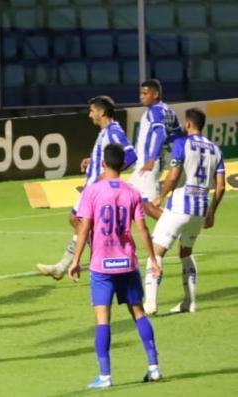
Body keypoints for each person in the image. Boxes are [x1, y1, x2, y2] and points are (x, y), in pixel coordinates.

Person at [68, 143, 162, 389]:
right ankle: (154, 368)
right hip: (127, 262)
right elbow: (142, 228)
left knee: (102, 320)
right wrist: (152, 259)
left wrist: (76, 260)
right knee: (138, 312)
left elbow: (85, 226)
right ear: (122, 165)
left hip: (102, 265)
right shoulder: (132, 191)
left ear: (102, 164)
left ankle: (106, 376)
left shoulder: (92, 191)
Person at [37, 96, 137, 280]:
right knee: (79, 221)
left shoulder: (113, 131)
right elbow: (110, 155)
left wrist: (108, 175)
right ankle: (65, 266)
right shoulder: (105, 132)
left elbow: (130, 155)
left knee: (79, 220)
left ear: (102, 112)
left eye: (92, 111)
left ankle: (98, 258)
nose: (90, 115)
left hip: (97, 189)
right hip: (92, 187)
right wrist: (92, 162)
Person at [144, 108, 225, 315]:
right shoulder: (216, 149)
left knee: (156, 252)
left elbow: (173, 176)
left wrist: (161, 196)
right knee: (185, 252)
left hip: (180, 206)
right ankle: (190, 302)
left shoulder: (182, 143)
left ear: (188, 124)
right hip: (200, 210)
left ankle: (150, 304)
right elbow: (221, 186)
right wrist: (212, 211)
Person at [131, 79, 184, 219]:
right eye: (141, 93)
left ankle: (175, 229)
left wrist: (152, 158)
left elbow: (160, 133)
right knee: (129, 200)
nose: (141, 96)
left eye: (145, 93)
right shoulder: (169, 111)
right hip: (148, 164)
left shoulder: (154, 111)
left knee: (149, 206)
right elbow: (178, 136)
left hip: (148, 164)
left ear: (155, 94)